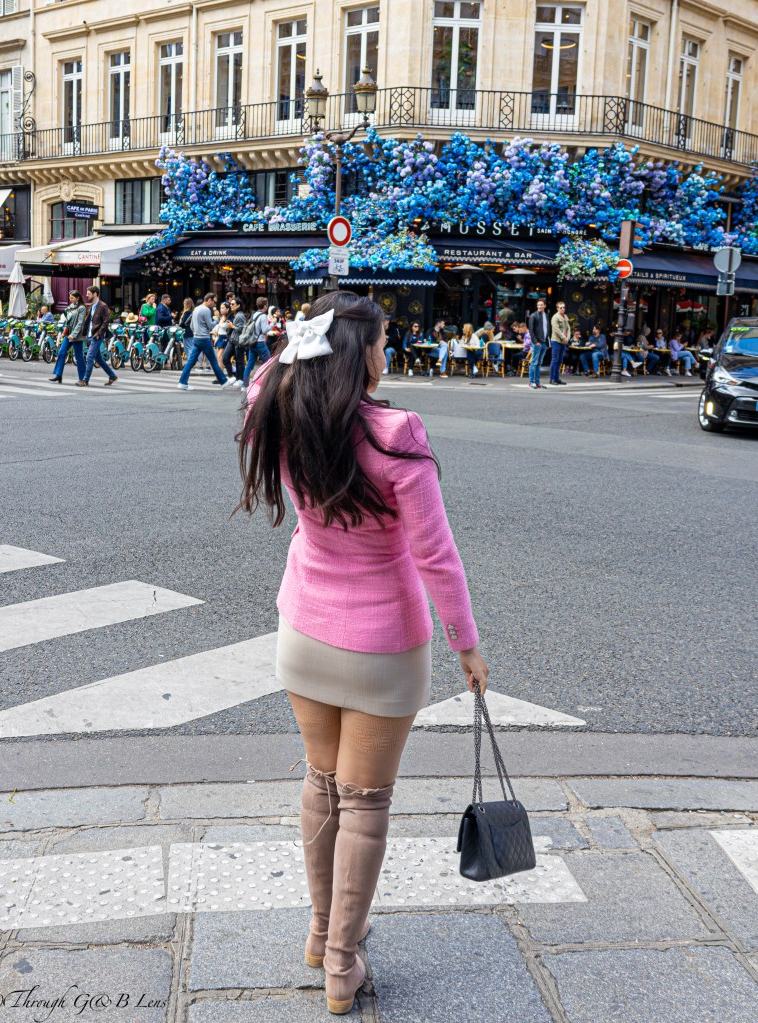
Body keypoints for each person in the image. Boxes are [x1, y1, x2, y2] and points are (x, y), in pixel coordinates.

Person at [239, 290, 489, 1015]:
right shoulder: (395, 433)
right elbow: (436, 556)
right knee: (366, 803)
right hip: (384, 642)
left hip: (305, 631)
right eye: (382, 341)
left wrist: (303, 341)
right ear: (363, 355)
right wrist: (466, 643)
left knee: (321, 784)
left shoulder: (283, 409)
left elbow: (265, 373)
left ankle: (322, 934)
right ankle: (342, 965)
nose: (389, 352)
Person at [177, 293, 234, 391]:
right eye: (214, 301)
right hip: (204, 338)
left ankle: (182, 382)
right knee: (213, 360)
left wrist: (196, 332)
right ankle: (223, 381)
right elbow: (211, 326)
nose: (214, 304)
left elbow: (190, 325)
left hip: (196, 338)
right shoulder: (206, 310)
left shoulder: (196, 309)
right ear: (210, 300)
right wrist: (217, 319)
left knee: (191, 361)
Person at [75, 286, 116, 387]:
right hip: (90, 335)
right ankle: (112, 375)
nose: (86, 295)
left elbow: (106, 322)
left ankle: (85, 380)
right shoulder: (92, 306)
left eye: (88, 293)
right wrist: (84, 333)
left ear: (95, 294)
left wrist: (99, 334)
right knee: (99, 359)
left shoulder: (103, 306)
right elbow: (89, 321)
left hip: (97, 336)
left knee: (89, 357)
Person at [49, 290, 86, 384]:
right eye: (69, 298)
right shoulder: (70, 307)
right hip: (68, 334)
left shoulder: (82, 308)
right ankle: (58, 375)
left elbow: (80, 323)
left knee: (79, 357)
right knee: (61, 352)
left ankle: (83, 378)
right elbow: (68, 321)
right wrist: (64, 331)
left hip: (76, 336)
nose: (70, 299)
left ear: (77, 298)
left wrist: (73, 335)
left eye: (72, 298)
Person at [242, 296, 272, 386]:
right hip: (260, 342)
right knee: (268, 363)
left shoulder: (254, 314)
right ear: (265, 306)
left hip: (252, 342)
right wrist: (273, 324)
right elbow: (265, 330)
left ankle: (245, 384)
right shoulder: (263, 316)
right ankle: (265, 383)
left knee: (250, 364)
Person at [527, 298, 550, 389]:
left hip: (544, 342)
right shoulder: (533, 316)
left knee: (539, 363)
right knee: (534, 362)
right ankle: (531, 382)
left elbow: (547, 329)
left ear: (545, 306)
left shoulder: (546, 315)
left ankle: (537, 382)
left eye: (541, 305)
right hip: (537, 342)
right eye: (538, 305)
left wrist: (548, 343)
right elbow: (531, 330)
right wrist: (535, 342)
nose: (540, 306)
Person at [226, 298, 247, 387]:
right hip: (233, 340)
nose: (231, 306)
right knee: (225, 358)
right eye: (230, 304)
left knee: (239, 360)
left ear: (238, 305)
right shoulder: (235, 315)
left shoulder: (240, 315)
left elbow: (242, 329)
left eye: (233, 304)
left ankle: (240, 379)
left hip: (238, 341)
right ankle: (233, 375)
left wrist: (232, 326)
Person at [549, 300, 570, 386]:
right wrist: (564, 338)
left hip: (563, 341)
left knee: (560, 360)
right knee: (555, 360)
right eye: (561, 307)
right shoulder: (555, 317)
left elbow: (569, 328)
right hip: (556, 341)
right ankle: (552, 379)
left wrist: (568, 338)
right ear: (557, 308)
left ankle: (557, 378)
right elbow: (556, 330)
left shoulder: (565, 317)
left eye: (564, 307)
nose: (563, 309)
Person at [179, 297, 195, 362]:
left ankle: (190, 362)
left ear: (187, 304)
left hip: (187, 332)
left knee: (188, 348)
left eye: (184, 302)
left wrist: (179, 325)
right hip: (191, 331)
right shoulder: (192, 312)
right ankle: (190, 362)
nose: (183, 303)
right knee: (190, 347)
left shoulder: (187, 312)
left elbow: (183, 323)